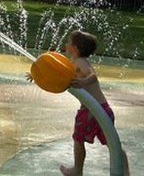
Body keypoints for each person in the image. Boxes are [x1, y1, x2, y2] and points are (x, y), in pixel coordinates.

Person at [36, 30, 131, 176]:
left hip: (91, 112)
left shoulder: (80, 62)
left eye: (69, 42)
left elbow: (93, 76)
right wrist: (36, 75)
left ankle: (77, 170)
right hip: (102, 110)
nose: (66, 44)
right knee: (112, 143)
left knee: (78, 139)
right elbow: (56, 76)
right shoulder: (73, 63)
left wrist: (83, 81)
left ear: (75, 48)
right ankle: (124, 171)